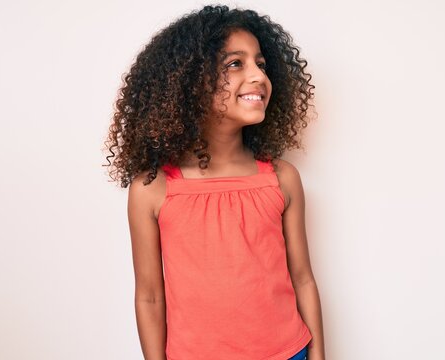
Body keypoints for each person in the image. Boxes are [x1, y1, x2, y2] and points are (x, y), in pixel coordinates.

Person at [103, 4, 325, 360]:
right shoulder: (152, 189)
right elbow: (149, 296)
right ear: (191, 81)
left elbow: (303, 279)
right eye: (236, 63)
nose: (258, 76)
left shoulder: (281, 179)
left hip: (288, 352)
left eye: (261, 64)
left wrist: (317, 356)